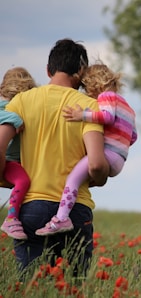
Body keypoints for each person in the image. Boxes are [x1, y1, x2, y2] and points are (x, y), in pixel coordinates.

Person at [0, 38, 109, 277]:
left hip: (31, 208)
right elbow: (97, 163)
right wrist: (99, 178)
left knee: (31, 287)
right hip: (75, 211)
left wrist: (3, 177)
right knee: (71, 288)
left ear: (49, 70)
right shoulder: (89, 107)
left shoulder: (21, 101)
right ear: (81, 73)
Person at [35, 63, 137, 236]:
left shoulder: (106, 96)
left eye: (86, 88)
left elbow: (107, 117)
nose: (87, 94)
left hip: (108, 154)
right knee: (82, 178)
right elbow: (133, 136)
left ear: (94, 84)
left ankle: (61, 219)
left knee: (73, 179)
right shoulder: (127, 107)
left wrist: (81, 115)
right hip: (120, 159)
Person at [0, 67, 36, 240]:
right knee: (23, 180)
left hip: (15, 160)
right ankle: (11, 218)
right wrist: (16, 120)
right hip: (6, 160)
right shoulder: (5, 104)